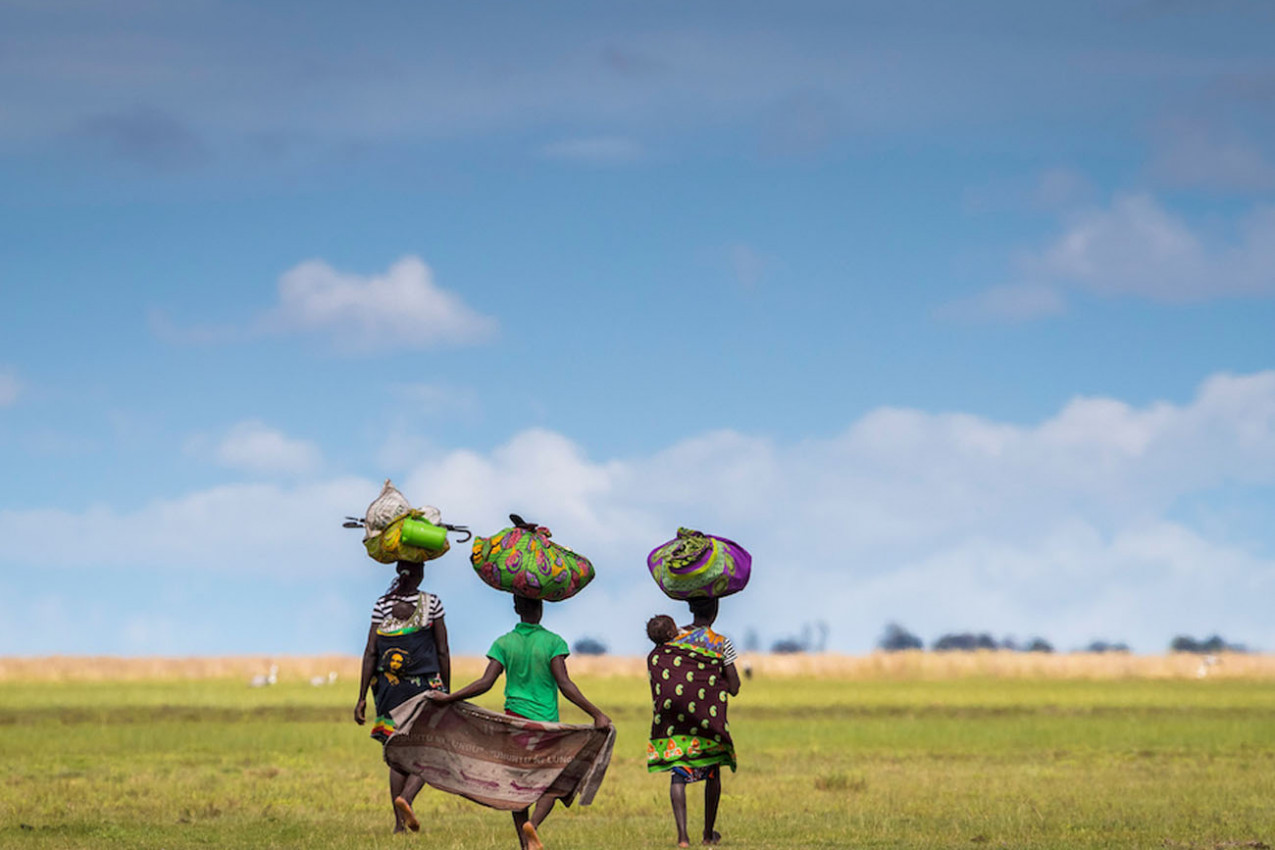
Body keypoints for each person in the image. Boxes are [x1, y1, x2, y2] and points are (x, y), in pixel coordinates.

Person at [436, 594, 611, 850]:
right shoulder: (553, 642)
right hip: (547, 727)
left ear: (516, 608)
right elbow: (565, 684)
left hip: (515, 725)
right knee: (555, 782)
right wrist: (596, 713)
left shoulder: (504, 643)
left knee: (517, 787)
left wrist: (451, 698)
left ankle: (524, 842)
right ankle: (535, 826)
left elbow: (485, 683)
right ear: (541, 608)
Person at [354, 559, 451, 834]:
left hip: (389, 689)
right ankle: (406, 798)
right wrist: (446, 690)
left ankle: (398, 826)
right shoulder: (433, 604)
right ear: (420, 574)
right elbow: (442, 650)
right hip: (424, 689)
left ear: (398, 571)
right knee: (428, 752)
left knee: (396, 755)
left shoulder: (381, 605)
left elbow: (371, 652)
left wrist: (361, 697)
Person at [647, 597, 741, 848]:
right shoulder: (721, 643)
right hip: (706, 720)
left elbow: (665, 667)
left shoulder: (672, 638)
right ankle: (708, 834)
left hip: (676, 721)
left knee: (678, 772)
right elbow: (734, 687)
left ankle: (682, 838)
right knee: (712, 773)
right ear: (716, 609)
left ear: (689, 608)